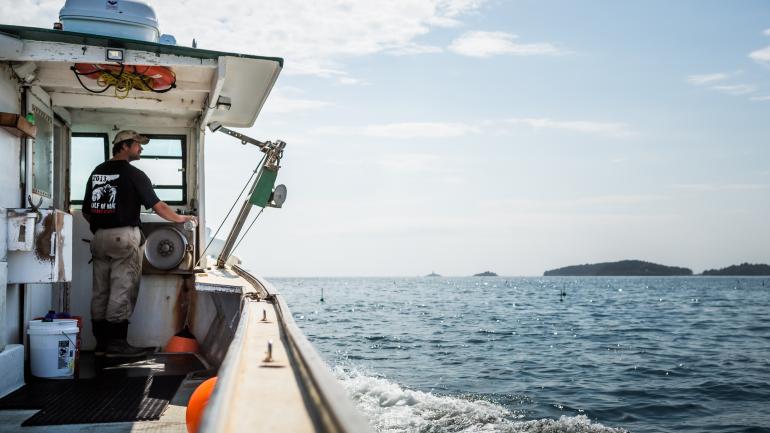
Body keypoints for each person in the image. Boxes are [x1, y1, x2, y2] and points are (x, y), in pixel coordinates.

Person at [82, 130, 196, 357]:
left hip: (99, 238)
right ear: (124, 146)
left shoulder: (97, 172)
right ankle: (117, 344)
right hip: (123, 237)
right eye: (137, 144)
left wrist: (103, 225)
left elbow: (86, 211)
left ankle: (101, 345)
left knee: (100, 292)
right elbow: (158, 206)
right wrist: (181, 218)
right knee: (122, 290)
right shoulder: (134, 174)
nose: (141, 148)